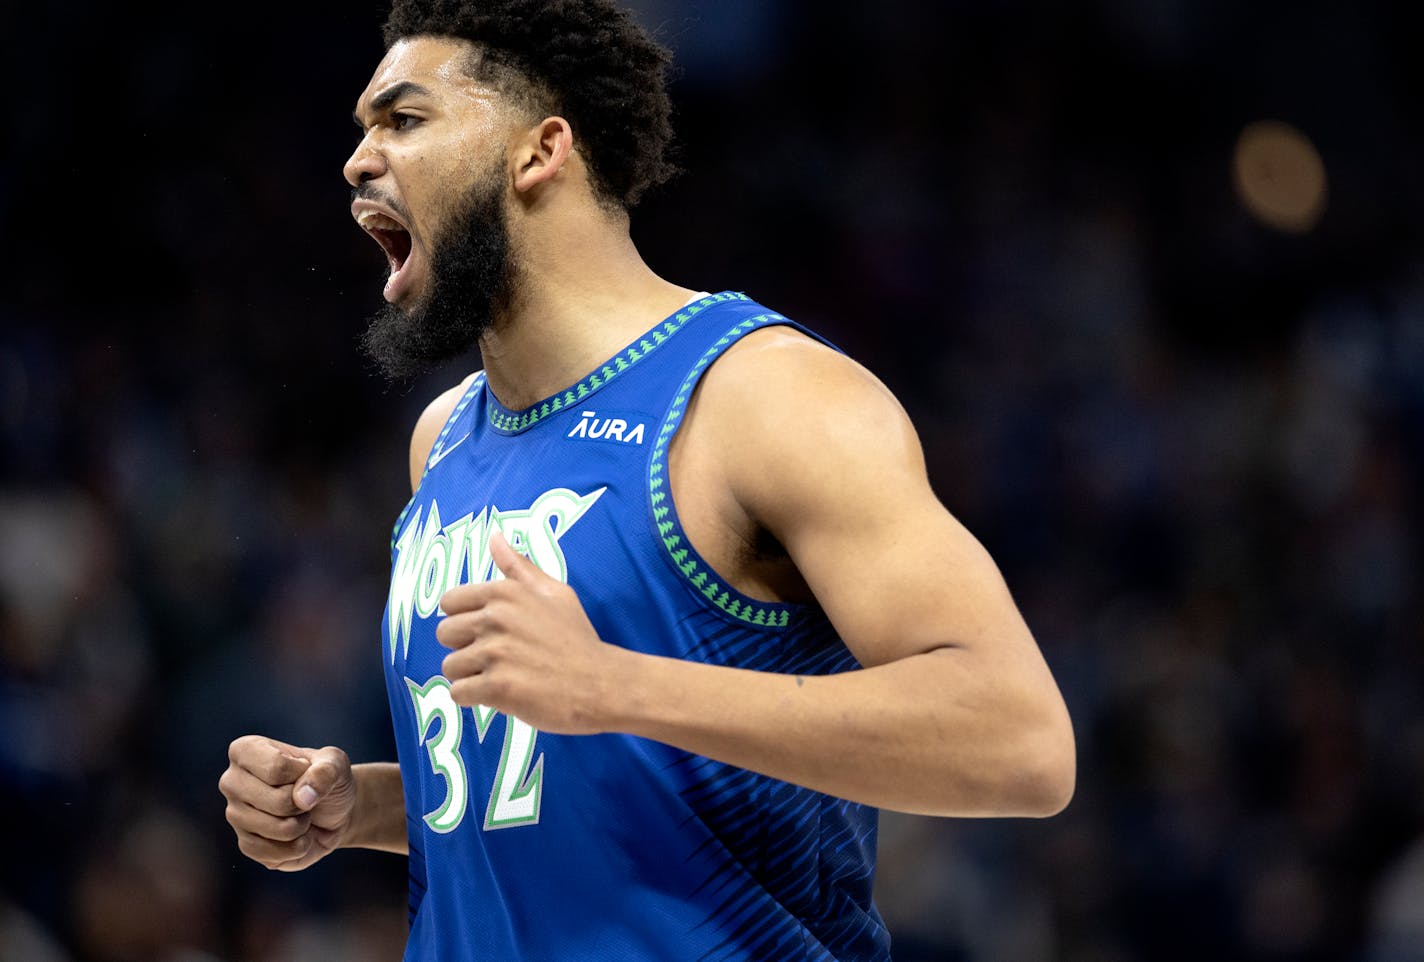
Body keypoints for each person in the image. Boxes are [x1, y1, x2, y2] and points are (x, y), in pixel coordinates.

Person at [218, 2, 1076, 959]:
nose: (359, 160)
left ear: (538, 151)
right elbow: (579, 802)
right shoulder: (444, 438)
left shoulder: (759, 394)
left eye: (404, 120)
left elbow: (1019, 743)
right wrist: (362, 805)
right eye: (363, 129)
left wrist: (614, 685)